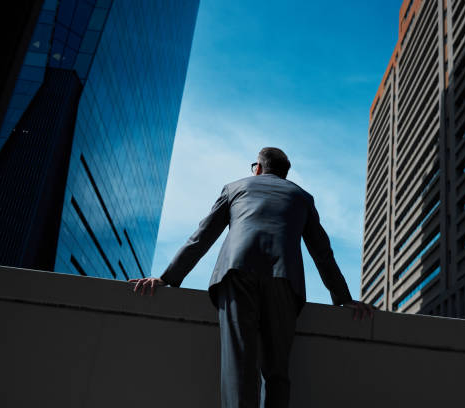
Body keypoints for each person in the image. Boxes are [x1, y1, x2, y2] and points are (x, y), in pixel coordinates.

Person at [130, 147, 375, 408]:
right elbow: (322, 252)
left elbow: (201, 237)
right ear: (284, 173)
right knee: (277, 371)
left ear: (258, 167)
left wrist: (167, 278)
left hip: (237, 272)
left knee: (239, 366)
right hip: (284, 279)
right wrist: (343, 298)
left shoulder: (235, 188)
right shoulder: (302, 197)